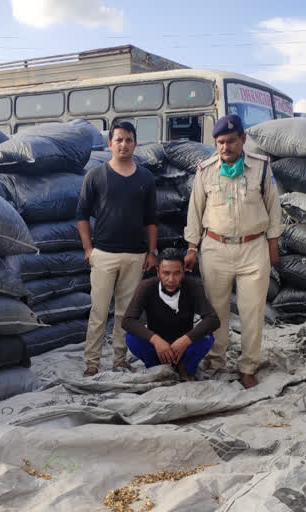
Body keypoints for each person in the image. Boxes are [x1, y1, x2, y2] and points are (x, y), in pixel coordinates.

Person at [183, 114, 284, 389]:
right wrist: (192, 247)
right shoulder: (205, 170)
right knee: (216, 311)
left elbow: (273, 208)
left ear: (243, 139)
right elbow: (195, 212)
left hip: (254, 248)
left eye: (230, 141)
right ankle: (216, 360)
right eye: (219, 142)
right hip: (215, 248)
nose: (225, 147)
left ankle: (248, 366)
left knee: (252, 311)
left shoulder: (262, 168)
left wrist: (273, 245)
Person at [77, 121, 158, 377]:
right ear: (110, 143)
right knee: (99, 312)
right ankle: (92, 362)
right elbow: (81, 216)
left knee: (126, 313)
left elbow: (151, 220)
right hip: (104, 254)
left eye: (129, 140)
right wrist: (89, 249)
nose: (124, 144)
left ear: (135, 143)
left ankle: (120, 359)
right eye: (119, 140)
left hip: (135, 255)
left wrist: (151, 252)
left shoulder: (145, 178)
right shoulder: (96, 175)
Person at [122, 248, 220, 381]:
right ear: (158, 272)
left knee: (207, 337)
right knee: (131, 338)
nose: (171, 279)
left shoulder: (192, 286)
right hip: (157, 346)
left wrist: (185, 340)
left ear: (183, 272)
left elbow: (213, 319)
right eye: (166, 273)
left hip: (184, 346)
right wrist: (156, 340)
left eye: (177, 273)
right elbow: (127, 320)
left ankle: (184, 367)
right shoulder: (146, 287)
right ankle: (156, 367)